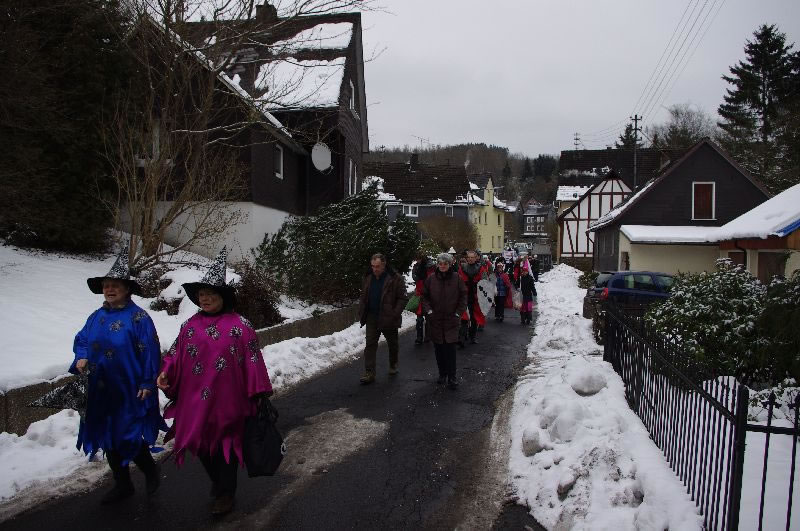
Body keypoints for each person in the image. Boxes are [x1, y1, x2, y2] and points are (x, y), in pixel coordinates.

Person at [157, 248, 273, 516]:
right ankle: (219, 483)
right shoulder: (189, 326)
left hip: (229, 400)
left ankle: (226, 493)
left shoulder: (241, 326)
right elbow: (175, 353)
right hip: (194, 399)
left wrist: (258, 393)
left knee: (226, 445)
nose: (205, 299)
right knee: (201, 445)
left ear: (223, 297)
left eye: (211, 294)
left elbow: (253, 359)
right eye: (202, 295)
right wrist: (166, 371)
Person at [71, 244, 165, 504]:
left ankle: (150, 469)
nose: (109, 289)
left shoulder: (139, 318)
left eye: (115, 285)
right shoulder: (96, 317)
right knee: (106, 433)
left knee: (127, 433)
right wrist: (81, 357)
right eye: (106, 285)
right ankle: (123, 484)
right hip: (101, 388)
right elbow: (82, 339)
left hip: (130, 388)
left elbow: (151, 352)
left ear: (127, 289)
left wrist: (147, 381)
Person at [357, 253, 408, 384]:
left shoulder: (395, 278)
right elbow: (364, 295)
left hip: (388, 317)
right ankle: (369, 372)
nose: (375, 269)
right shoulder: (368, 277)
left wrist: (394, 313)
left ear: (384, 265)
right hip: (371, 316)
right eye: (373, 266)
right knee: (370, 344)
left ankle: (393, 364)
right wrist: (362, 310)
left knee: (392, 343)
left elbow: (402, 298)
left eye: (377, 266)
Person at [422, 253, 467, 390]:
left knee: (450, 350)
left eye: (445, 264)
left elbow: (463, 296)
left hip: (451, 320)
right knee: (439, 349)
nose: (442, 266)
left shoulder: (457, 278)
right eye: (440, 263)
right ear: (437, 264)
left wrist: (458, 313)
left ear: (450, 264)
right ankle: (442, 374)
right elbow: (425, 297)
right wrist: (429, 311)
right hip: (435, 320)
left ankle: (452, 377)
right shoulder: (431, 279)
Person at [458, 250, 489, 344]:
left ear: (476, 258)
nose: (470, 259)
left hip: (476, 297)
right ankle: (462, 338)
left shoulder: (481, 269)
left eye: (472, 257)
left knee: (474, 318)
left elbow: (485, 282)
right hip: (465, 296)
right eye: (469, 257)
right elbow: (458, 281)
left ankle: (473, 336)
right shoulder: (462, 268)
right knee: (464, 318)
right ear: (467, 258)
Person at [411, 253, 435, 344]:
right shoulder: (416, 266)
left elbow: (433, 279)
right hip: (420, 294)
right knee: (419, 318)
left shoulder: (431, 267)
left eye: (419, 259)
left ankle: (428, 336)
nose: (417, 261)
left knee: (428, 317)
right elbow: (415, 278)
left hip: (429, 295)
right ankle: (419, 337)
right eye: (416, 259)